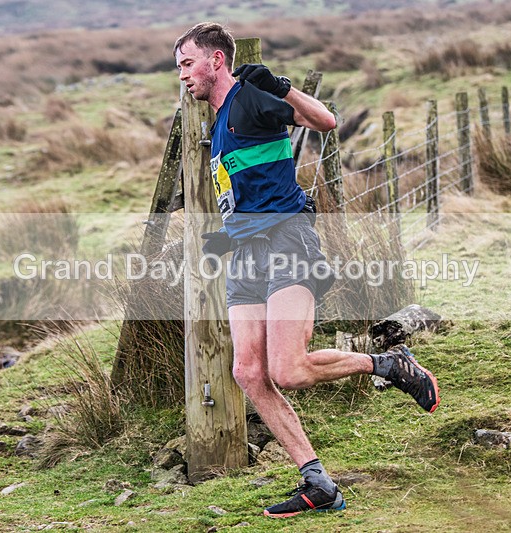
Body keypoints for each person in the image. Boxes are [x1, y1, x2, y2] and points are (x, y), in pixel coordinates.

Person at [174, 22, 440, 519]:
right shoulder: (218, 120)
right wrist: (228, 235)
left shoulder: (251, 97)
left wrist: (281, 87)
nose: (183, 76)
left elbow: (325, 122)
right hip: (248, 252)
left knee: (289, 370)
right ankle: (317, 482)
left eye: (187, 64)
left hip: (287, 241)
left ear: (216, 60)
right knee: (248, 372)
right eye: (178, 68)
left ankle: (387, 365)